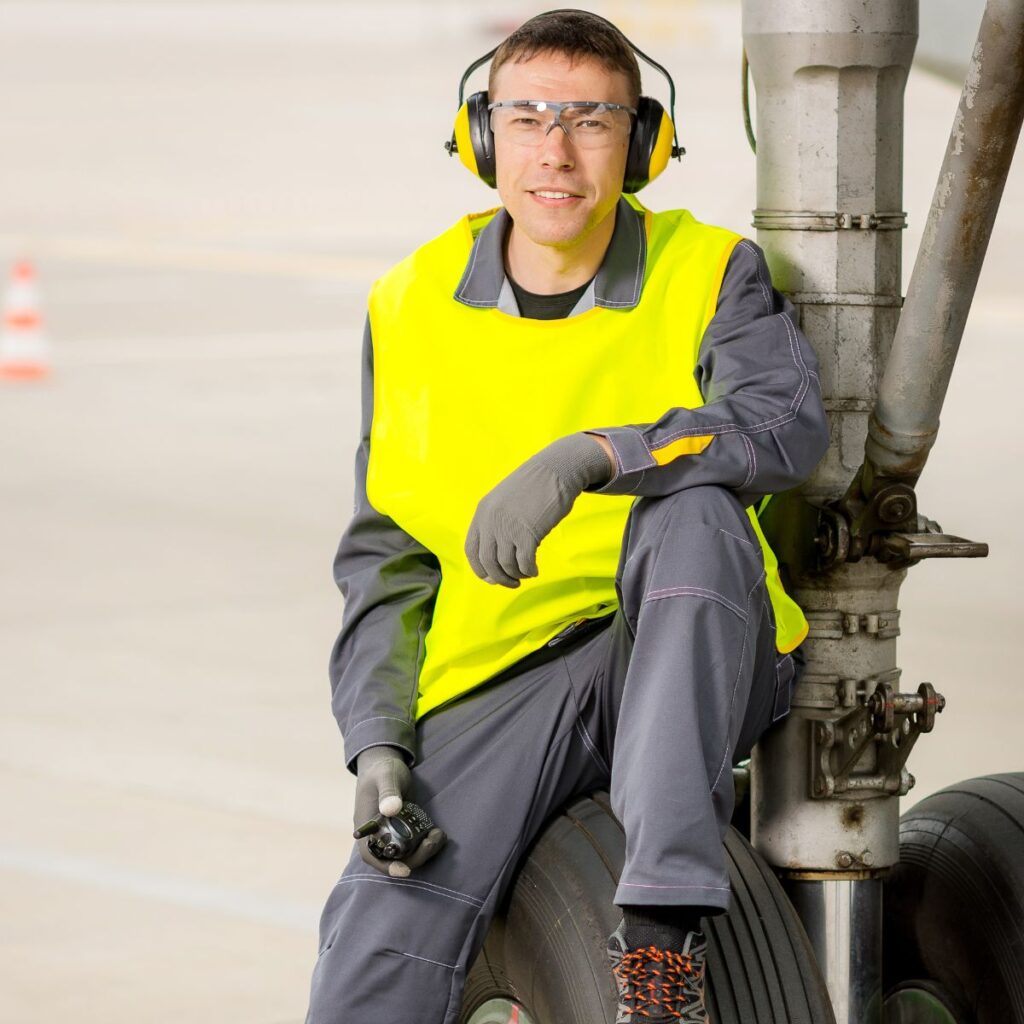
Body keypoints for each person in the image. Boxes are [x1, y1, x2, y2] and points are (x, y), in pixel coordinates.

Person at [304, 9, 828, 1023]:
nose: (555, 149)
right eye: (528, 115)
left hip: (685, 637)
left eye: (591, 119)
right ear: (480, 137)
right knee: (370, 965)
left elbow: (780, 428)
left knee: (694, 511)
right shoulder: (407, 302)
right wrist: (377, 740)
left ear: (640, 145)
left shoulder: (709, 269)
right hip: (506, 680)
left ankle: (659, 945)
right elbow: (386, 554)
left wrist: (597, 455)